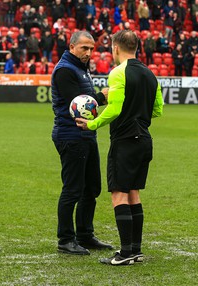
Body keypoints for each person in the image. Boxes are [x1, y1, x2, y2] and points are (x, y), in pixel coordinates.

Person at [75, 30, 163, 265]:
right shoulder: (151, 74)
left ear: (115, 48)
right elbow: (158, 110)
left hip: (125, 140)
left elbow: (114, 109)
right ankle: (135, 249)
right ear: (137, 48)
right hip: (145, 139)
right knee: (133, 192)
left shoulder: (118, 73)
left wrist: (91, 123)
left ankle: (125, 254)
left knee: (119, 193)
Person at [51, 31, 112, 255]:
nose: (88, 52)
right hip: (71, 136)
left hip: (86, 135)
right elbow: (78, 104)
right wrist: (102, 97)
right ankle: (65, 239)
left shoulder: (80, 68)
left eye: (91, 49)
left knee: (92, 188)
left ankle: (85, 235)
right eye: (84, 48)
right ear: (72, 47)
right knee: (73, 190)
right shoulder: (65, 70)